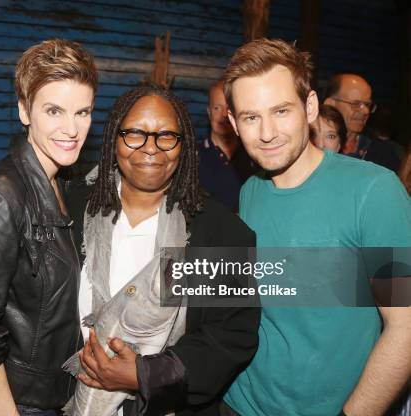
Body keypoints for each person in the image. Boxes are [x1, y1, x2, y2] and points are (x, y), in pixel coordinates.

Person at [221, 38, 411, 416]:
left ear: (309, 107)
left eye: (280, 111)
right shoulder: (250, 192)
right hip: (238, 403)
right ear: (232, 122)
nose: (267, 132)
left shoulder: (374, 190)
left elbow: (405, 326)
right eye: (250, 117)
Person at [67, 84, 260, 416]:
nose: (150, 148)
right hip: (71, 398)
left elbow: (231, 335)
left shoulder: (220, 233)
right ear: (114, 139)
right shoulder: (72, 211)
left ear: (182, 146)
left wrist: (143, 375)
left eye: (166, 136)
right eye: (135, 134)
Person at [0, 39, 98, 416]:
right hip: (16, 402)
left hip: (55, 394)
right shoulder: (1, 197)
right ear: (24, 111)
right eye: (54, 111)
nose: (72, 128)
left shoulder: (60, 184)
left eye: (83, 112)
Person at [324, 73, 401, 171]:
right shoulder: (309, 146)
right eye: (356, 104)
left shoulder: (382, 154)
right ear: (331, 104)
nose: (366, 111)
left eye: (368, 105)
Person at [198, 80, 256, 212]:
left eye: (229, 108)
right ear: (209, 112)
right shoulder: (193, 159)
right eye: (217, 108)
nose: (224, 115)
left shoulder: (255, 156)